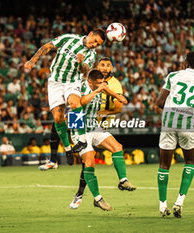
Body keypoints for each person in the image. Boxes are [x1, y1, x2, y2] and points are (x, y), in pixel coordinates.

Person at [21, 29, 107, 168]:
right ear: (90, 34)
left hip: (72, 82)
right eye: (95, 41)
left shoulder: (92, 54)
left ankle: (82, 139)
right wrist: (33, 60)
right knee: (58, 118)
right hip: (55, 81)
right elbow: (48, 46)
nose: (94, 45)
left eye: (98, 44)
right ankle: (67, 149)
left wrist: (80, 63)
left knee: (74, 103)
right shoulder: (69, 38)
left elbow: (84, 70)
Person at [156, 52, 194, 218]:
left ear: (185, 62)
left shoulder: (173, 76)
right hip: (189, 125)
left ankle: (162, 206)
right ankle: (179, 202)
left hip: (169, 123)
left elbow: (160, 102)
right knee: (190, 161)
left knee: (164, 165)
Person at [68, 69, 135, 211]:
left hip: (94, 126)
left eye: (102, 83)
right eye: (98, 83)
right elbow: (79, 102)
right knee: (89, 161)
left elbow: (112, 93)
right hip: (79, 129)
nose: (101, 85)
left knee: (117, 147)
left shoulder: (99, 87)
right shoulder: (78, 87)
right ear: (90, 81)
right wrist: (98, 90)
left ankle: (123, 181)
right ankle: (98, 199)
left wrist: (117, 96)